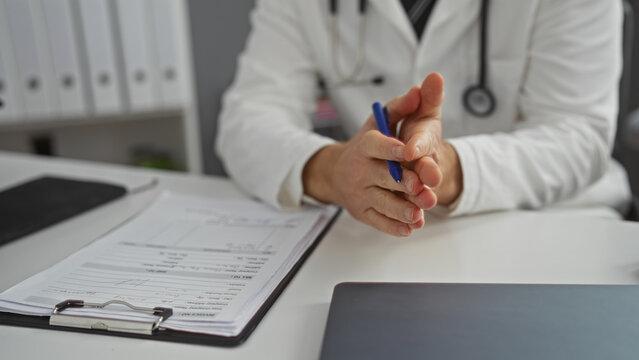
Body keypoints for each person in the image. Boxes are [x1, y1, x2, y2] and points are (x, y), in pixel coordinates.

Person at [217, 0, 631, 236]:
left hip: (552, 226)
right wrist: (333, 171)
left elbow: (577, 134)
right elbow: (247, 116)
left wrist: (445, 168)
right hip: (382, 237)